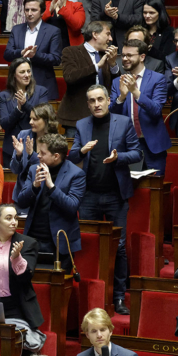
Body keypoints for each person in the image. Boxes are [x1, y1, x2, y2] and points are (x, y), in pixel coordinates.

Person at [69, 85, 142, 315]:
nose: (96, 104)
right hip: (88, 195)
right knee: (90, 246)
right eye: (92, 101)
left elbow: (137, 152)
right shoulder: (82, 125)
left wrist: (119, 157)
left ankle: (118, 297)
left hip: (115, 196)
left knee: (118, 248)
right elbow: (72, 155)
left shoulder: (123, 122)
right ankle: (91, 297)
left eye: (100, 99)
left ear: (108, 100)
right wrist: (81, 151)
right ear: (88, 104)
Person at [15, 133, 85, 269]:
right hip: (33, 239)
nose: (38, 155)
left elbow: (72, 206)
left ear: (56, 156)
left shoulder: (76, 174)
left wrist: (51, 187)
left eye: (42, 153)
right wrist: (34, 186)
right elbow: (21, 202)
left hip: (59, 242)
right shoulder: (34, 169)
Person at [111, 39, 170, 174]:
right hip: (127, 144)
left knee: (155, 188)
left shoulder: (157, 79)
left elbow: (156, 110)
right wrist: (121, 97)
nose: (125, 59)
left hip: (152, 144)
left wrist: (136, 92)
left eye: (129, 55)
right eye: (123, 55)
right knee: (129, 189)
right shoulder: (117, 82)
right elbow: (113, 115)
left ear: (142, 57)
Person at [57, 21, 120, 138]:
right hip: (76, 118)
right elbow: (70, 77)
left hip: (103, 117)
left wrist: (113, 65)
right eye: (108, 34)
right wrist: (96, 67)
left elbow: (116, 85)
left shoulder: (107, 55)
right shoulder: (71, 52)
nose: (110, 39)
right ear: (95, 34)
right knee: (76, 154)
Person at [3, 0, 62, 100]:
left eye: (34, 10)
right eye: (27, 10)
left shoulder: (53, 31)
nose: (29, 13)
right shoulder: (16, 30)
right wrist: (21, 52)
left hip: (43, 83)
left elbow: (56, 59)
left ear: (42, 12)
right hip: (19, 85)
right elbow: (7, 54)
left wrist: (35, 55)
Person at [0, 59, 50, 167]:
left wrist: (25, 105)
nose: (27, 75)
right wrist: (18, 109)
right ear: (14, 75)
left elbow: (44, 116)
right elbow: (5, 124)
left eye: (29, 71)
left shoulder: (41, 92)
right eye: (22, 72)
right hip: (12, 149)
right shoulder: (4, 96)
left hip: (36, 148)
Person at [10, 102, 60, 204]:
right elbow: (14, 170)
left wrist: (32, 155)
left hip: (45, 196)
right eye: (30, 118)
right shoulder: (23, 135)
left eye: (35, 119)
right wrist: (19, 155)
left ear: (47, 120)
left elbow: (50, 168)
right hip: (23, 193)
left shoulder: (56, 140)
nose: (31, 122)